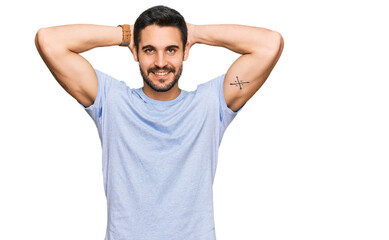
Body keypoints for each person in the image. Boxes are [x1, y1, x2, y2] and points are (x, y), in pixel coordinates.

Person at [35, 5, 283, 240]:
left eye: (172, 49)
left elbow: (270, 44)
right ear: (135, 52)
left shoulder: (210, 104)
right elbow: (48, 41)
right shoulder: (112, 101)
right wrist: (126, 34)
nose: (161, 62)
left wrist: (194, 32)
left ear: (186, 51)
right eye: (149, 49)